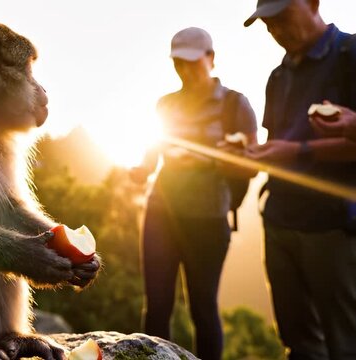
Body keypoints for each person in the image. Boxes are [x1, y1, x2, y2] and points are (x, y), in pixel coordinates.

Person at [135, 27, 257, 360]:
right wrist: (139, 171)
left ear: (211, 59)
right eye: (179, 63)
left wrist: (210, 159)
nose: (185, 70)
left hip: (209, 217)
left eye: (192, 62)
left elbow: (251, 162)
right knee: (157, 306)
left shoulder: (234, 104)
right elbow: (151, 158)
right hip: (161, 211)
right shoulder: (166, 104)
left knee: (202, 307)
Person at [244, 0, 356, 358]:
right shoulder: (278, 76)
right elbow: (276, 143)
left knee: (345, 340)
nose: (276, 30)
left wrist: (293, 152)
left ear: (312, 3)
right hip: (278, 221)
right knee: (297, 339)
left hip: (334, 226)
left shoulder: (350, 55)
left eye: (282, 18)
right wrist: (251, 154)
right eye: (268, 24)